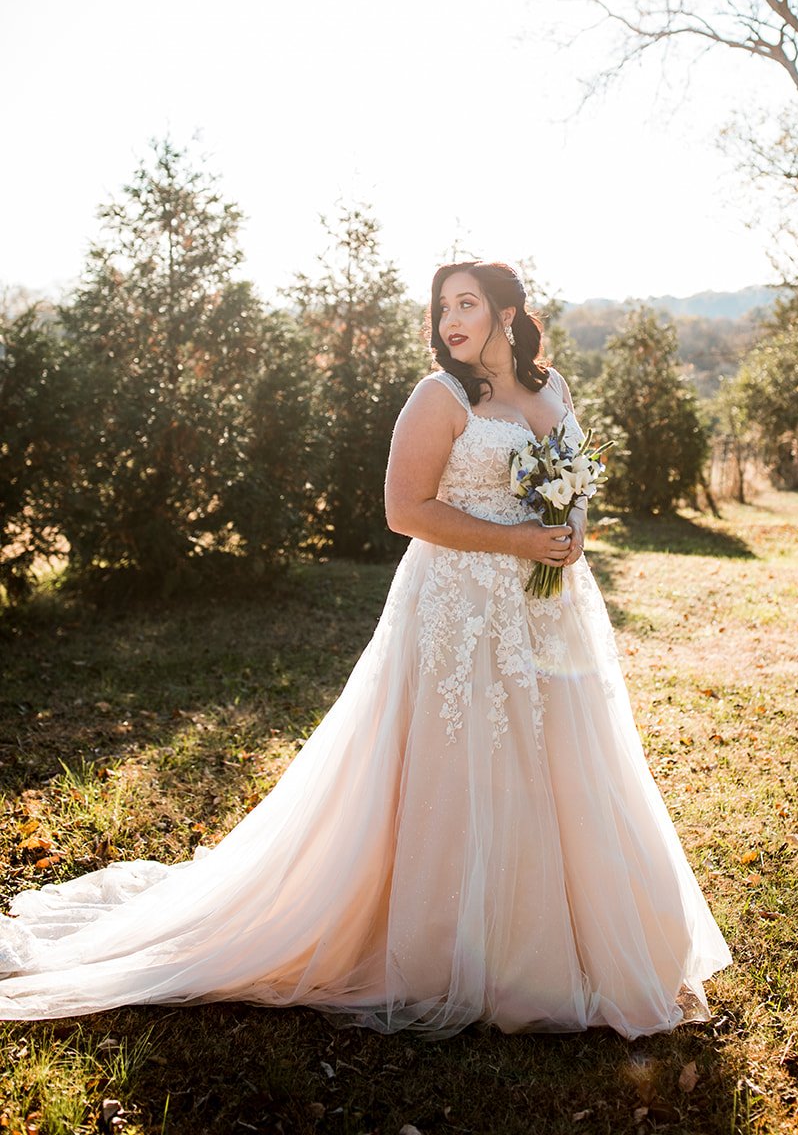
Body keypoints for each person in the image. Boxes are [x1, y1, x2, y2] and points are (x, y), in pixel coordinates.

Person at [0, 260, 730, 1035]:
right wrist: (515, 539)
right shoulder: (438, 396)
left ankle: (576, 938)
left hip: (548, 611)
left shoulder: (553, 389)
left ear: (509, 313)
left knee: (559, 755)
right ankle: (459, 947)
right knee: (460, 760)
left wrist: (570, 536)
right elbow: (404, 509)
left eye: (467, 303)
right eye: (442, 305)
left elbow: (575, 487)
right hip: (459, 604)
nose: (450, 318)